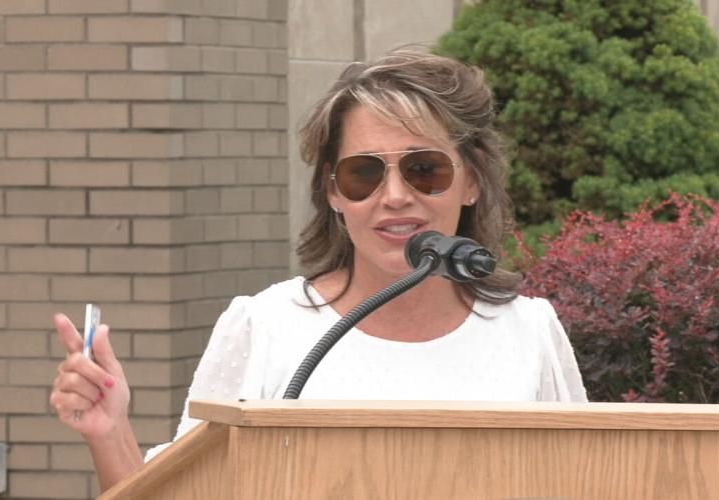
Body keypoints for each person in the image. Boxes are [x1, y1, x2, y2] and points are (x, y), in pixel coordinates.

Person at [49, 49, 588, 492]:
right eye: (364, 174)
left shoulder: (529, 330)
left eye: (425, 169)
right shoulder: (267, 325)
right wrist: (110, 430)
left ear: (471, 181)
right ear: (333, 191)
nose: (395, 197)